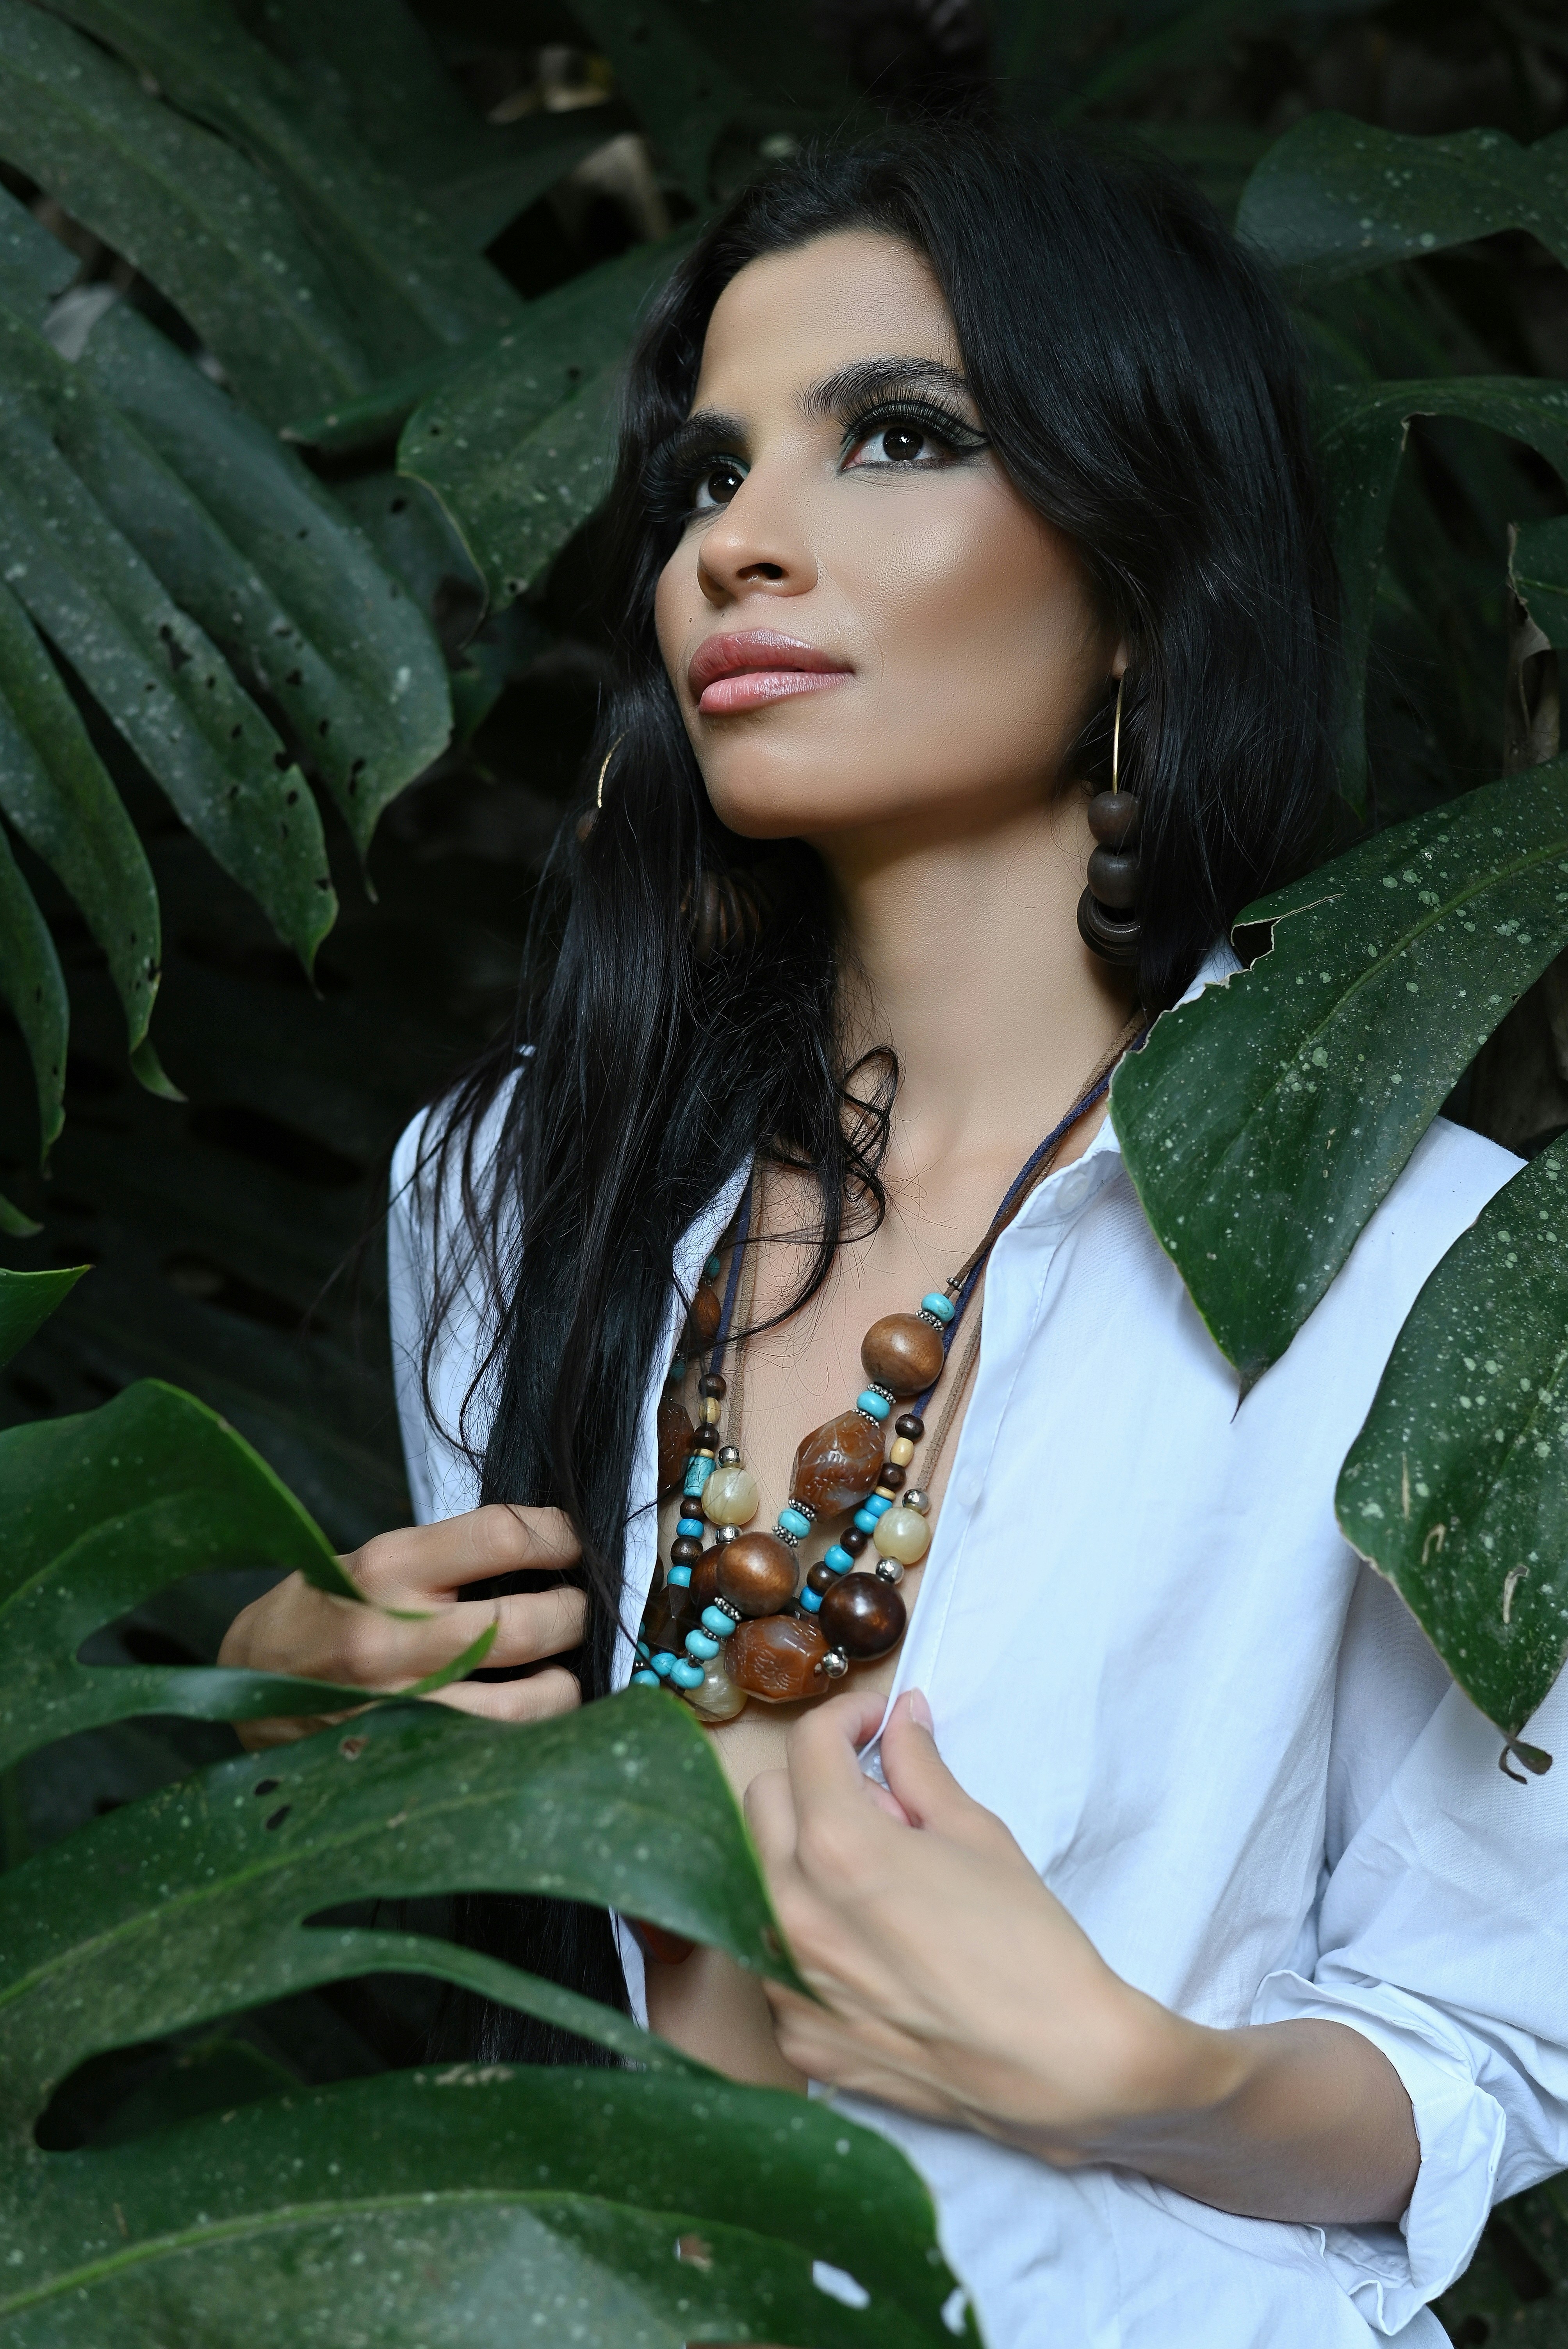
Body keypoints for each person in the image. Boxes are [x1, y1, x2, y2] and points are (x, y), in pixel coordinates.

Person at [218, 123, 1568, 2348]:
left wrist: (1164, 2080)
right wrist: (277, 1734)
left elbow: (1490, 2051)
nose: (741, 544)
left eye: (900, 441)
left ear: (1143, 567)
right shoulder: (508, 1187)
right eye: (704, 481)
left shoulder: (1431, 1267)